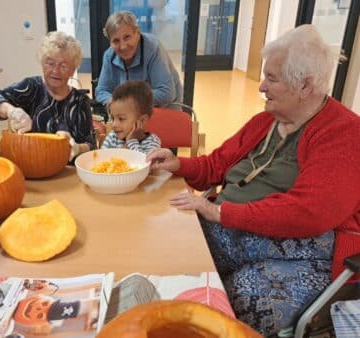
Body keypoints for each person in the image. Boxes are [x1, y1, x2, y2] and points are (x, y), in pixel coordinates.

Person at [146, 25, 360, 336]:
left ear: (305, 85)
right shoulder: (266, 121)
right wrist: (178, 163)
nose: (261, 87)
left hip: (304, 250)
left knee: (234, 303)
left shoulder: (344, 133)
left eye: (272, 78)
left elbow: (310, 212)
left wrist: (220, 212)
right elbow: (216, 165)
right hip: (237, 231)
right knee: (174, 248)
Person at [0, 31, 96, 161]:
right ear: (42, 63)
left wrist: (77, 148)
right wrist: (12, 111)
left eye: (64, 65)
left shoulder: (80, 101)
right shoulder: (31, 87)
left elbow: (91, 145)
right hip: (30, 165)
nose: (55, 71)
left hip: (66, 171)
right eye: (50, 63)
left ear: (73, 70)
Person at [95, 11, 182, 108]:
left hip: (165, 109)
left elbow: (166, 93)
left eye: (127, 37)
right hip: (132, 111)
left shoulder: (153, 48)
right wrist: (112, 100)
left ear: (137, 33)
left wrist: (127, 101)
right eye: (116, 41)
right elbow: (101, 91)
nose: (123, 46)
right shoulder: (109, 55)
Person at [101, 80, 161, 153]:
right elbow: (103, 161)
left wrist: (131, 141)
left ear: (142, 120)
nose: (114, 124)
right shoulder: (112, 137)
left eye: (121, 119)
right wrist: (125, 146)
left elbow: (145, 162)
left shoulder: (152, 142)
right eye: (113, 118)